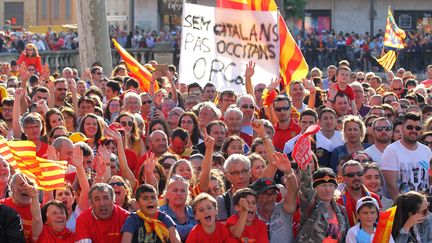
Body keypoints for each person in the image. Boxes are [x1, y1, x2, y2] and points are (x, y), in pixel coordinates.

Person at [381, 112, 432, 200]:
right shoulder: (392, 150)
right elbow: (391, 186)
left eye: (418, 128)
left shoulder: (426, 150)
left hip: (424, 205)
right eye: (409, 127)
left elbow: (430, 178)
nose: (414, 130)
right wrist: (401, 207)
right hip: (403, 206)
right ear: (402, 129)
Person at [297, 166, 349, 242]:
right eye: (323, 185)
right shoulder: (310, 205)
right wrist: (305, 169)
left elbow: (345, 237)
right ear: (315, 188)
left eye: (331, 185)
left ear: (335, 187)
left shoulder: (341, 210)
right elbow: (306, 190)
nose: (327, 189)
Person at [336, 160, 382, 227]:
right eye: (351, 175)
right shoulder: (339, 201)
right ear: (343, 178)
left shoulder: (373, 198)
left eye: (359, 174)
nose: (356, 177)